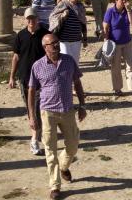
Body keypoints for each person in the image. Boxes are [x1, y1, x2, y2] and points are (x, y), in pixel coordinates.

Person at [28, 34, 86, 200]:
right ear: (45, 47)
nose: (55, 45)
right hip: (48, 112)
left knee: (73, 145)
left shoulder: (68, 61)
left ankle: (64, 165)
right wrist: (32, 116)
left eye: (56, 42)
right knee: (50, 149)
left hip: (68, 110)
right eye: (51, 44)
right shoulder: (37, 66)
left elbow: (77, 82)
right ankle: (55, 186)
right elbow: (31, 91)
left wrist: (82, 105)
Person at [9, 7, 46, 156]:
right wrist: (11, 77)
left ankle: (35, 138)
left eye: (33, 18)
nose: (31, 21)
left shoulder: (45, 35)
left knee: (39, 109)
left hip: (42, 79)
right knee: (31, 109)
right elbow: (16, 57)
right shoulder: (21, 36)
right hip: (24, 78)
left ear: (37, 19)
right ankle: (36, 136)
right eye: (28, 19)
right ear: (25, 20)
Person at [103, 0, 132, 96]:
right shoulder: (110, 11)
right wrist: (106, 41)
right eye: (121, 0)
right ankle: (117, 89)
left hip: (127, 42)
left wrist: (128, 9)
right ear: (116, 0)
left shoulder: (127, 11)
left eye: (125, 0)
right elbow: (105, 26)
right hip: (115, 44)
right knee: (116, 67)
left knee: (131, 65)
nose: (124, 2)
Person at [51, 0, 87, 66]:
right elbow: (53, 17)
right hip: (64, 41)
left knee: (75, 64)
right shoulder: (63, 5)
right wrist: (62, 16)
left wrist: (85, 38)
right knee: (65, 63)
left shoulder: (80, 6)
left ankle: (73, 79)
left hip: (77, 40)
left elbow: (83, 23)